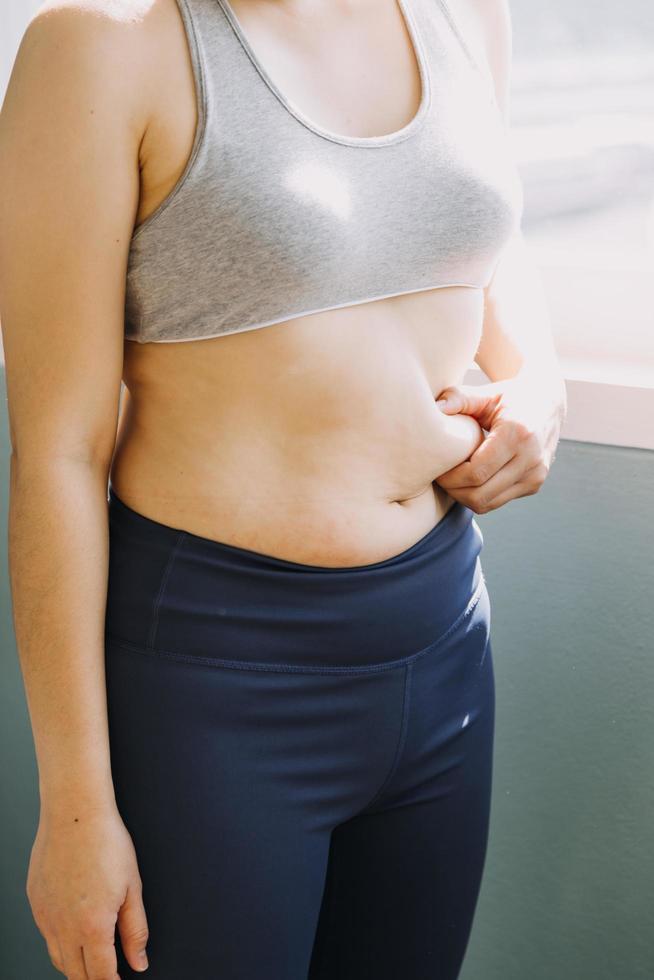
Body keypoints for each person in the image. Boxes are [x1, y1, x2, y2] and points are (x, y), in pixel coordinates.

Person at [0, 0, 566, 976]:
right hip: (217, 683)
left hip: (443, 645)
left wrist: (541, 383)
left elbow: (480, 224)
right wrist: (75, 809)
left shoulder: (467, 10)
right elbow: (57, 450)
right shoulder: (103, 45)